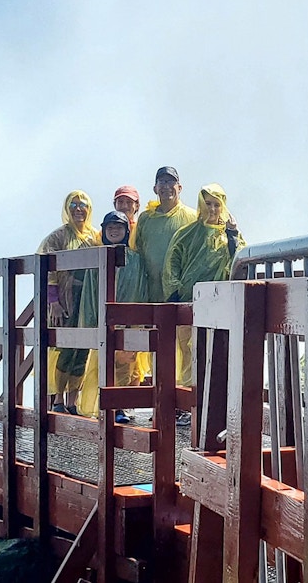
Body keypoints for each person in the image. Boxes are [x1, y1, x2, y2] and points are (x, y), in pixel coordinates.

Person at [162, 183, 245, 425]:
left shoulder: (230, 236)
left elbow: (240, 260)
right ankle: (189, 406)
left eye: (216, 204)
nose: (212, 209)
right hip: (190, 302)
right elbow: (171, 263)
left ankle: (214, 406)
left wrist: (232, 235)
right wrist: (175, 292)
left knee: (216, 351)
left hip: (219, 303)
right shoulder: (187, 233)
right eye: (207, 203)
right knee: (189, 351)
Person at [77, 211, 148, 422]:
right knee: (101, 364)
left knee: (126, 364)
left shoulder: (136, 259)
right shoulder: (98, 257)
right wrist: (90, 321)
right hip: (103, 321)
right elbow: (89, 292)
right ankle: (102, 407)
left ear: (127, 231)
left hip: (128, 321)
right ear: (104, 231)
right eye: (110, 227)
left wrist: (138, 318)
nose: (114, 230)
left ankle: (119, 408)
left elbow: (141, 289)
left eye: (119, 227)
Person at [38, 190, 99, 414]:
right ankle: (58, 400)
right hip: (65, 302)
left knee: (82, 351)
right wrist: (53, 301)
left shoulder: (94, 236)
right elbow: (47, 270)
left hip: (87, 301)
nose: (78, 210)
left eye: (83, 205)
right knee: (64, 347)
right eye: (73, 206)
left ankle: (73, 401)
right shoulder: (58, 237)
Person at [135, 167, 196, 302]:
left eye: (171, 182)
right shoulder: (145, 218)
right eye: (162, 182)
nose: (166, 186)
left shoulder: (193, 217)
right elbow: (137, 252)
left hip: (181, 295)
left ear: (179, 188)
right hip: (151, 294)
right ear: (155, 188)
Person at [113, 185, 140, 249]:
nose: (124, 206)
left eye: (129, 202)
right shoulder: (106, 231)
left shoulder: (140, 229)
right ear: (114, 205)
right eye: (120, 202)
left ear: (137, 206)